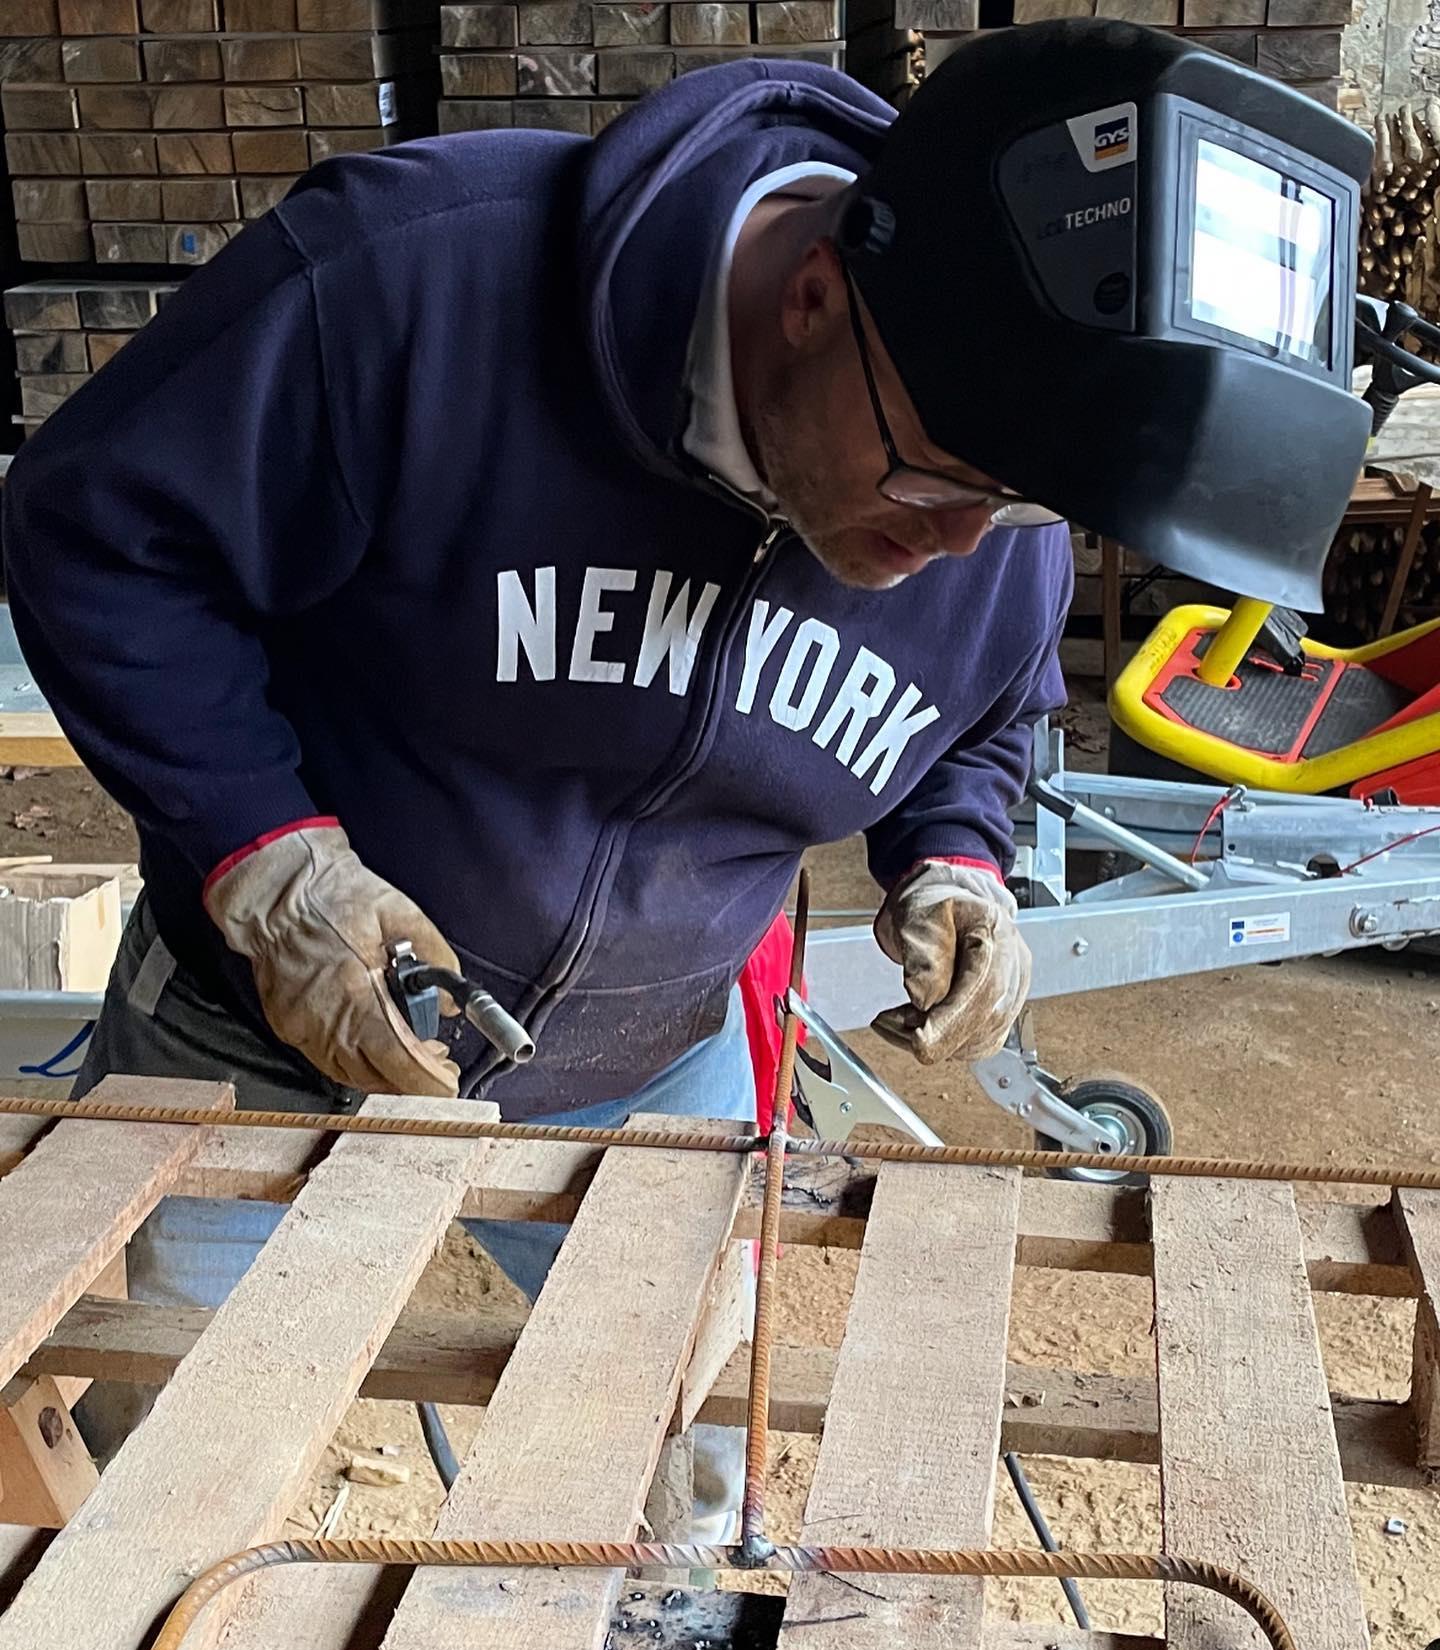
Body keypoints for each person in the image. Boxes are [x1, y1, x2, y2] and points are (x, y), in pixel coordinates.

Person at [2, 30, 1076, 1515]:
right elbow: (99, 533)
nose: (960, 545)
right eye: (939, 482)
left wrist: (957, 857)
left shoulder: (996, 485)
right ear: (817, 302)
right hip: (265, 1031)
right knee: (168, 1480)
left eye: (1017, 510)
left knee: (686, 1482)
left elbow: (989, 703)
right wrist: (264, 854)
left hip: (653, 1070)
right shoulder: (411, 284)